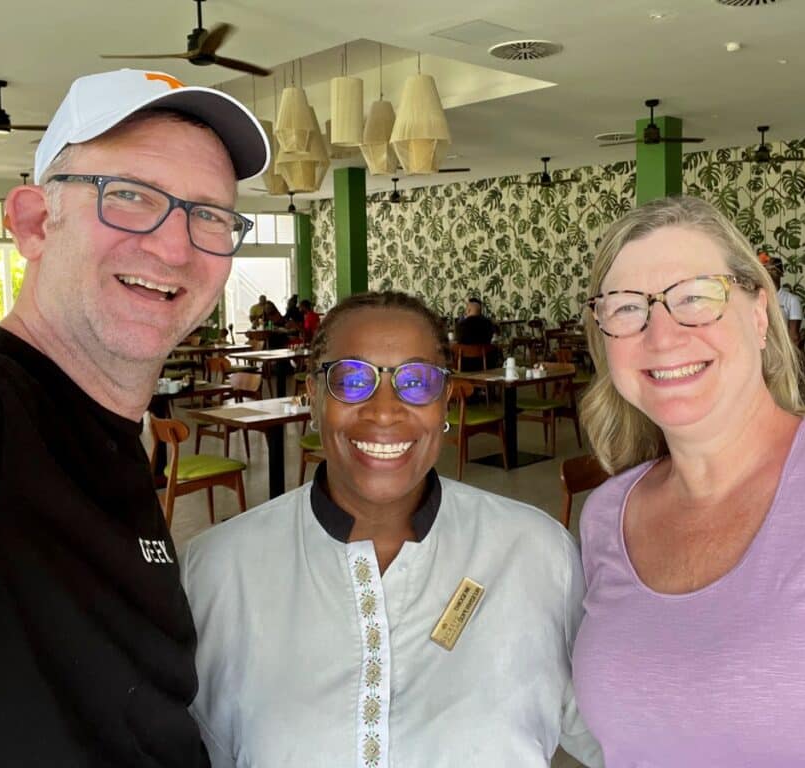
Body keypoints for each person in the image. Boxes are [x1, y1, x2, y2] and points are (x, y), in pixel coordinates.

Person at [0, 68, 270, 767]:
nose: (174, 247)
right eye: (129, 196)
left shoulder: (112, 438)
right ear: (34, 221)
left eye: (208, 215)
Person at [181, 291, 602, 768]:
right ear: (313, 398)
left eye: (417, 382)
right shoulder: (216, 570)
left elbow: (629, 741)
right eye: (352, 380)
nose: (384, 410)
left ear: (445, 401)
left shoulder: (536, 553)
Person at [572, 196, 805, 767]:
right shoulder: (606, 516)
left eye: (695, 297)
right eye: (628, 309)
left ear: (757, 315)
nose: (663, 335)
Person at [764, 253, 803, 348]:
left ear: (781, 273)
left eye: (773, 270)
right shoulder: (758, 298)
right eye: (767, 270)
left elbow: (794, 336)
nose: (769, 274)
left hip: (782, 350)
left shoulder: (791, 300)